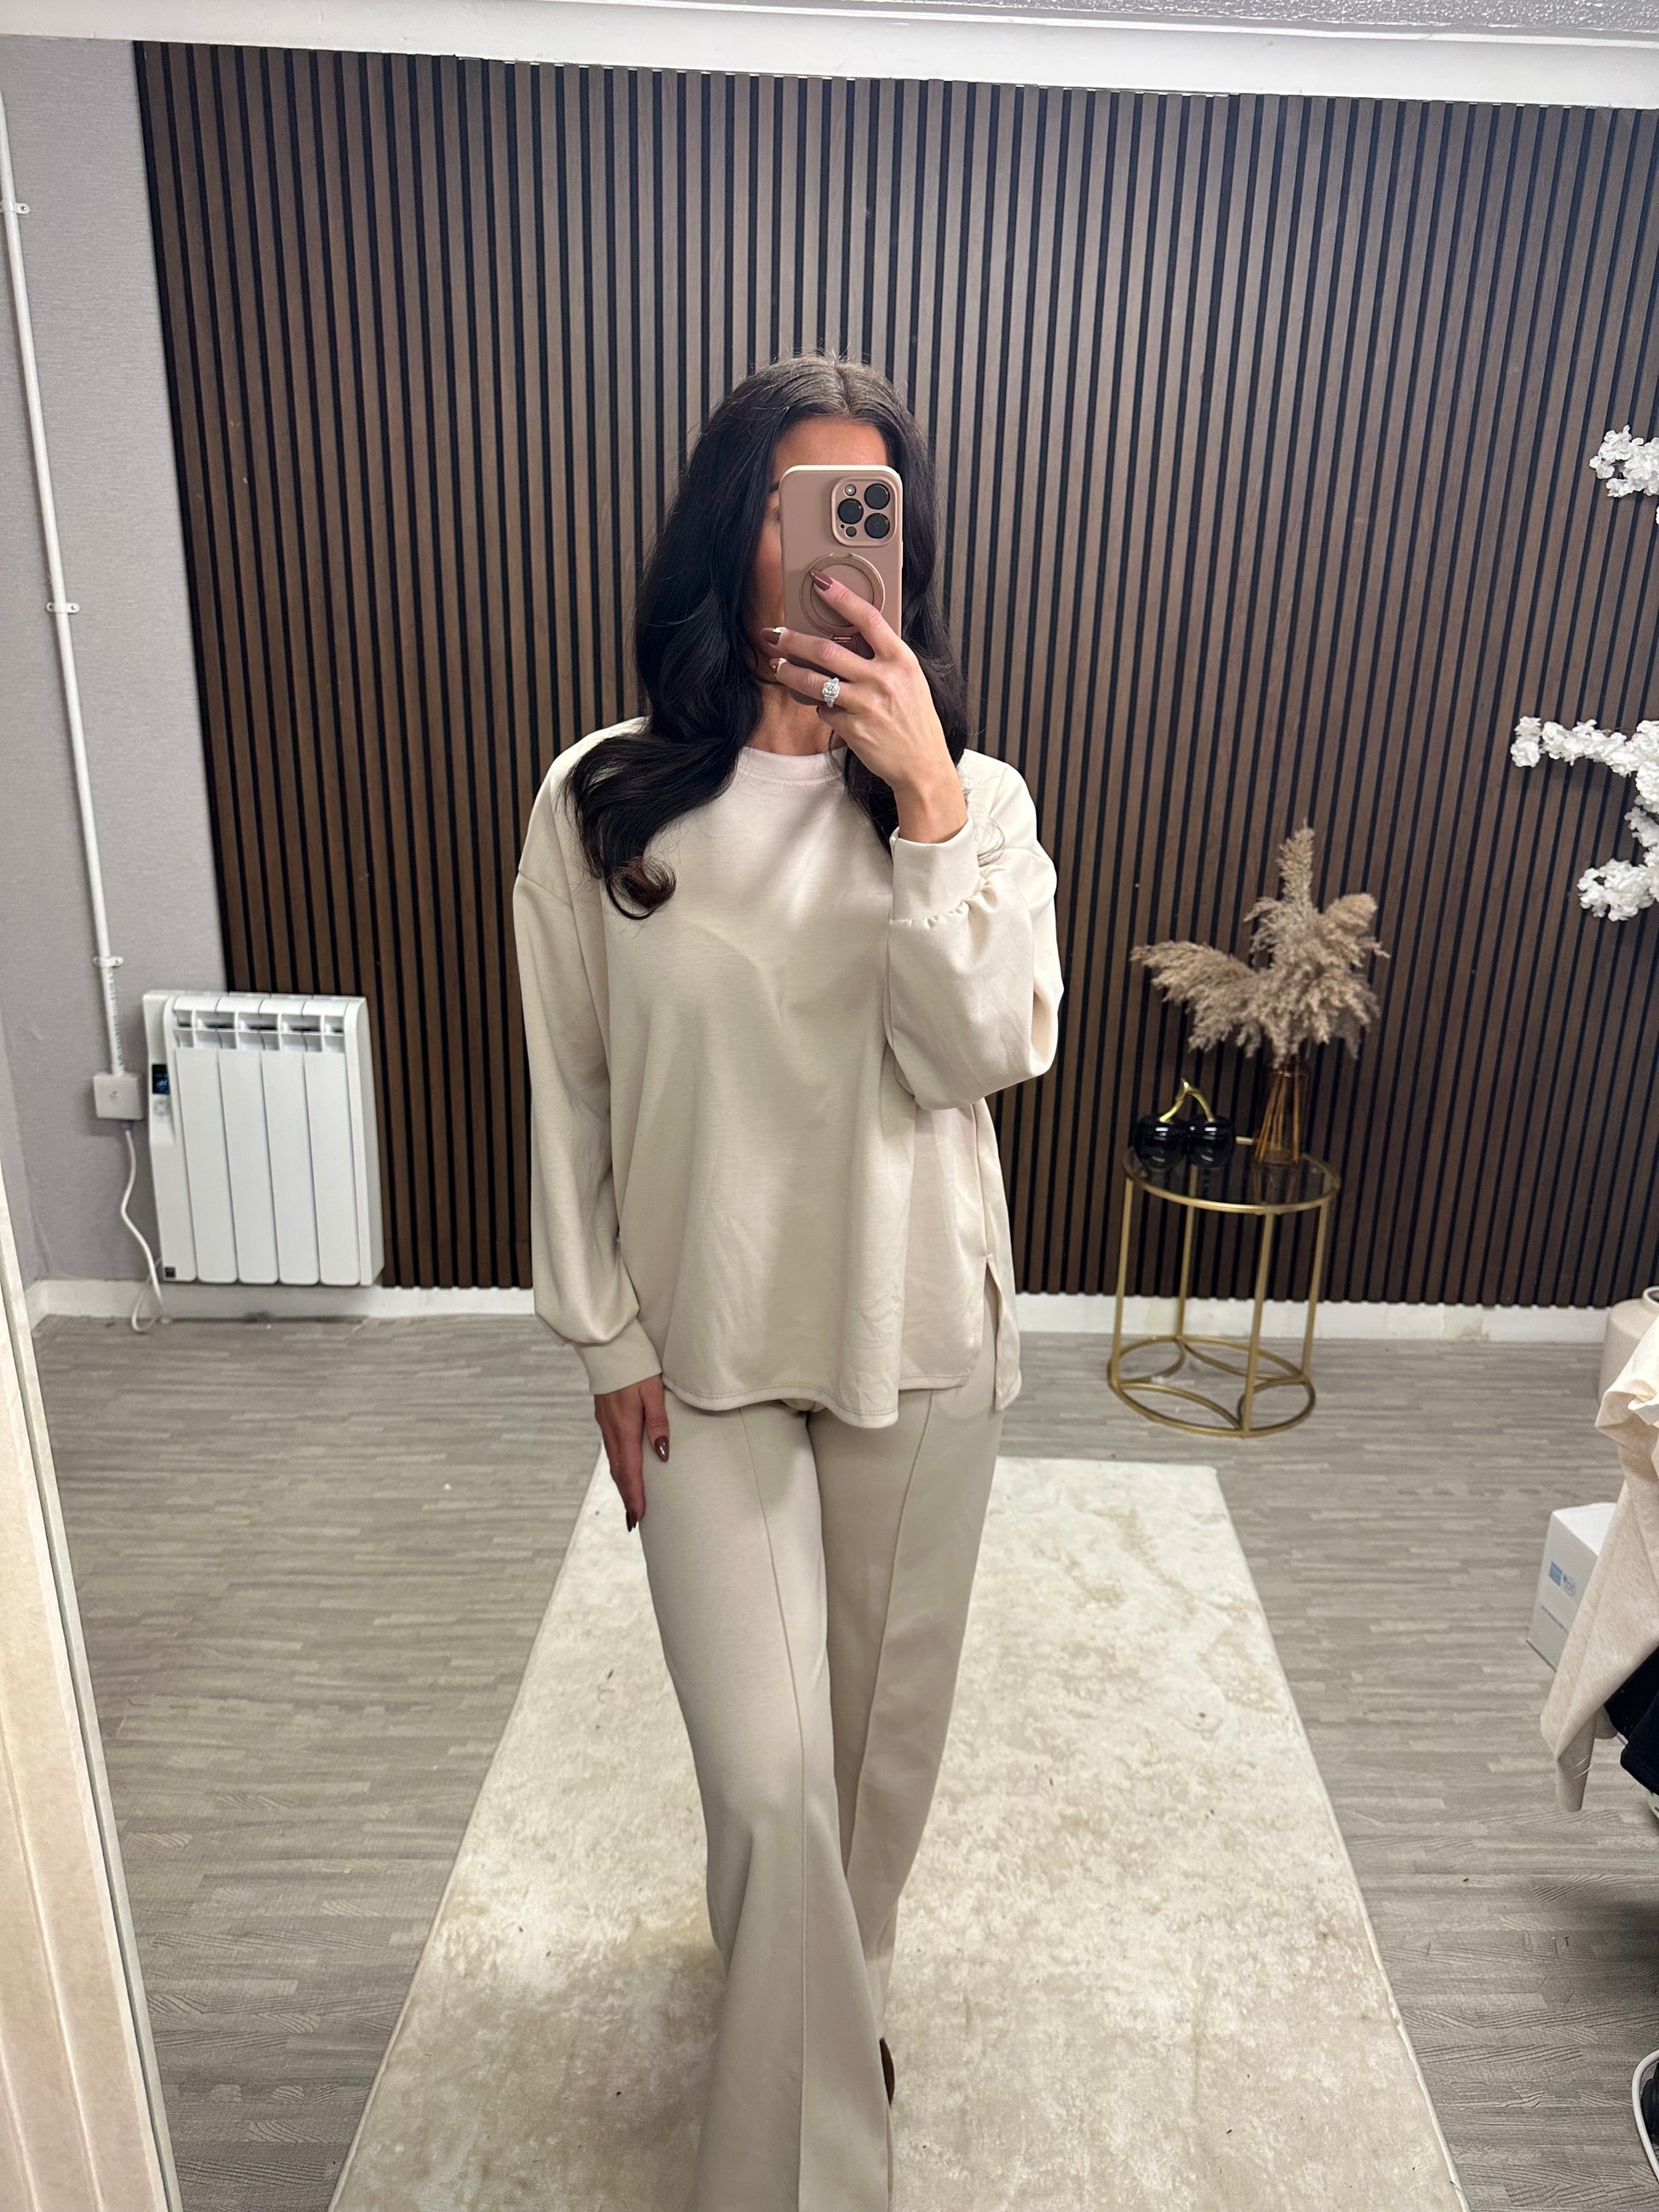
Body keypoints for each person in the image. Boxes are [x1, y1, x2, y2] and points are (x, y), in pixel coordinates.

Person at [512, 353, 1064, 2212]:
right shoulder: (603, 801)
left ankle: (840, 1997)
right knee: (764, 1779)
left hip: (918, 1335)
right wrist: (599, 1332)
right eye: (786, 500)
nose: (825, 545)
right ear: (723, 527)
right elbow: (571, 1083)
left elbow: (984, 1047)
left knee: (869, 1766)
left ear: (902, 544)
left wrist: (923, 806)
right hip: (704, 1346)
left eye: (863, 510)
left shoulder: (976, 798)